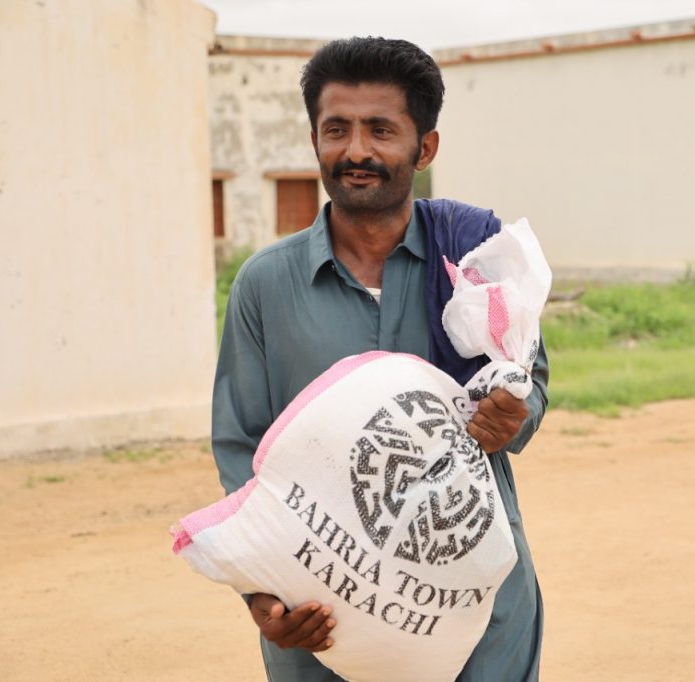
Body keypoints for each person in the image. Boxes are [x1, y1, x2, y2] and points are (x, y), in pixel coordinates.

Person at [211, 36, 549, 681]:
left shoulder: (475, 258)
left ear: (424, 148)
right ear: (314, 140)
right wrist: (264, 593)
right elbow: (240, 450)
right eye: (335, 129)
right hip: (324, 614)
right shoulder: (265, 285)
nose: (356, 151)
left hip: (480, 605)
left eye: (380, 130)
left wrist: (516, 411)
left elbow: (530, 381)